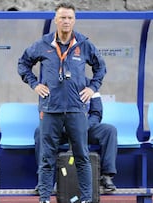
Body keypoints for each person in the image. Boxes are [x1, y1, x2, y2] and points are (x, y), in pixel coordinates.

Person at [17, 2, 107, 203]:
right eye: (62, 18)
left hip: (76, 110)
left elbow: (100, 68)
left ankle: (86, 199)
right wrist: (34, 84)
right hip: (50, 110)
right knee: (47, 159)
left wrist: (92, 88)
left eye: (70, 18)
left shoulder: (84, 44)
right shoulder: (43, 44)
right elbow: (23, 63)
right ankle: (44, 199)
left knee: (82, 157)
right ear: (55, 20)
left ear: (74, 21)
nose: (66, 21)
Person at [34, 91, 118, 192]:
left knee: (109, 130)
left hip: (84, 129)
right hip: (61, 129)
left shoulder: (91, 88)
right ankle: (44, 181)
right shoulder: (53, 85)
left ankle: (106, 176)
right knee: (40, 132)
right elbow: (45, 112)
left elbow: (96, 114)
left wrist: (83, 126)